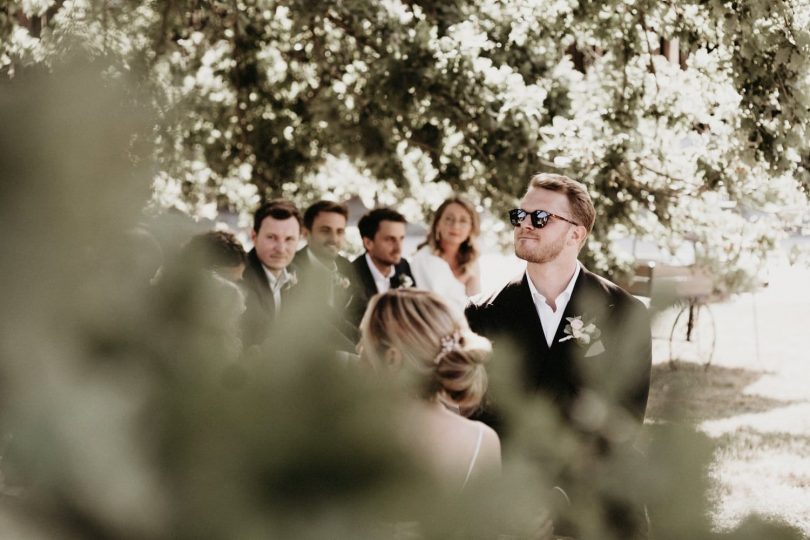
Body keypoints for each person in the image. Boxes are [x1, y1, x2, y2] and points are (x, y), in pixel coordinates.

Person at [465, 173, 652, 432]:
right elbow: (471, 411)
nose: (525, 225)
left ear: (575, 235)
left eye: (541, 217)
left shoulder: (625, 312)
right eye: (520, 215)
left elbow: (627, 416)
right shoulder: (479, 312)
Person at [359, 288, 500, 488]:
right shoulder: (481, 441)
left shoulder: (350, 436)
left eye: (364, 340)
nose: (358, 349)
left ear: (392, 359)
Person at [241, 200, 302, 345]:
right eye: (271, 237)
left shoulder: (299, 274)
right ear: (254, 237)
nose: (281, 249)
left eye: (289, 239)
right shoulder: (240, 277)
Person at [410, 196, 481, 313]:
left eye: (463, 221)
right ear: (438, 224)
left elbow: (476, 304)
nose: (455, 226)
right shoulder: (423, 258)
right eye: (449, 219)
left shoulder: (472, 260)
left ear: (471, 228)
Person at [348, 208, 417, 326]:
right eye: (390, 240)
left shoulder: (403, 266)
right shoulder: (351, 275)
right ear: (368, 243)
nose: (399, 248)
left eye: (401, 239)